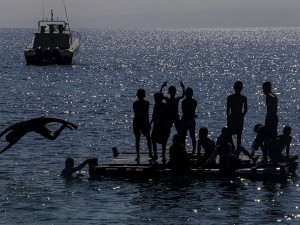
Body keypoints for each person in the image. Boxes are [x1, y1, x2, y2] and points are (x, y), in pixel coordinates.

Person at [0, 116, 78, 155]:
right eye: (13, 137)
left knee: (55, 120)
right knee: (52, 138)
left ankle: (69, 124)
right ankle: (64, 126)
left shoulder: (14, 127)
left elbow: (2, 133)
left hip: (38, 121)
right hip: (37, 129)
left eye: (12, 135)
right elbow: (9, 146)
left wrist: (72, 124)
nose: (14, 136)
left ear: (10, 133)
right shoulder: (17, 136)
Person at [150, 92, 171, 163]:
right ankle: (155, 154)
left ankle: (164, 155)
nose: (155, 100)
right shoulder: (156, 106)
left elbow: (167, 116)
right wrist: (150, 124)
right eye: (155, 98)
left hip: (163, 126)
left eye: (156, 98)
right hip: (156, 125)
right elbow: (153, 116)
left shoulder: (165, 106)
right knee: (153, 138)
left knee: (164, 141)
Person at [133, 88, 152, 162]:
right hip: (141, 121)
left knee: (141, 139)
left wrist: (148, 124)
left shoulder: (136, 103)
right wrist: (148, 123)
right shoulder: (146, 103)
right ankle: (145, 154)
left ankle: (140, 155)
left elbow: (140, 113)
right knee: (145, 138)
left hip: (139, 121)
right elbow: (145, 114)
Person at [226, 81, 247, 148]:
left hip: (239, 116)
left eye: (239, 88)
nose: (238, 90)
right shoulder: (230, 97)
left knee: (239, 135)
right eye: (237, 88)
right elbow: (228, 109)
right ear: (234, 88)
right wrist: (228, 119)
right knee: (229, 134)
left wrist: (241, 116)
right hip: (232, 116)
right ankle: (232, 148)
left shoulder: (243, 97)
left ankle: (237, 151)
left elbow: (245, 109)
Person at [180, 87, 197, 154]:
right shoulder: (184, 101)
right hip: (186, 120)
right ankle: (183, 150)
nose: (189, 95)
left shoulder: (194, 101)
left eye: (189, 94)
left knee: (192, 136)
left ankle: (193, 150)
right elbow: (185, 111)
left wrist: (189, 110)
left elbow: (189, 110)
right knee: (183, 136)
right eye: (188, 94)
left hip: (190, 120)